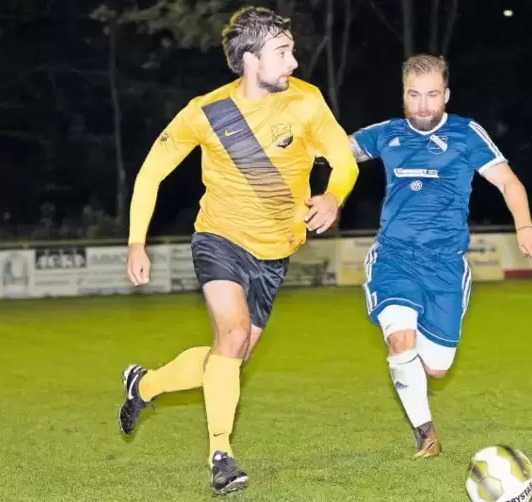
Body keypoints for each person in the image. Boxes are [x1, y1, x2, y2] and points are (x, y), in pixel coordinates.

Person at [118, 5, 359, 495]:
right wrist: (136, 241)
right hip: (219, 240)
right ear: (251, 58)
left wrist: (334, 194)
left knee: (231, 355)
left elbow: (343, 160)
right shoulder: (206, 112)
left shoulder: (307, 102)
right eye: (283, 52)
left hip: (274, 254)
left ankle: (143, 386)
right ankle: (221, 457)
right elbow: (150, 172)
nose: (294, 62)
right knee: (230, 334)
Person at [348, 54, 532, 458]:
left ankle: (414, 371)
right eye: (414, 95)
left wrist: (523, 225)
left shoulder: (467, 134)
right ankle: (426, 434)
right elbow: (337, 153)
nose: (422, 105)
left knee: (436, 367)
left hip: (445, 266)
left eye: (432, 95)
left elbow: (509, 183)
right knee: (400, 339)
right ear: (403, 94)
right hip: (394, 255)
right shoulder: (386, 134)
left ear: (446, 95)